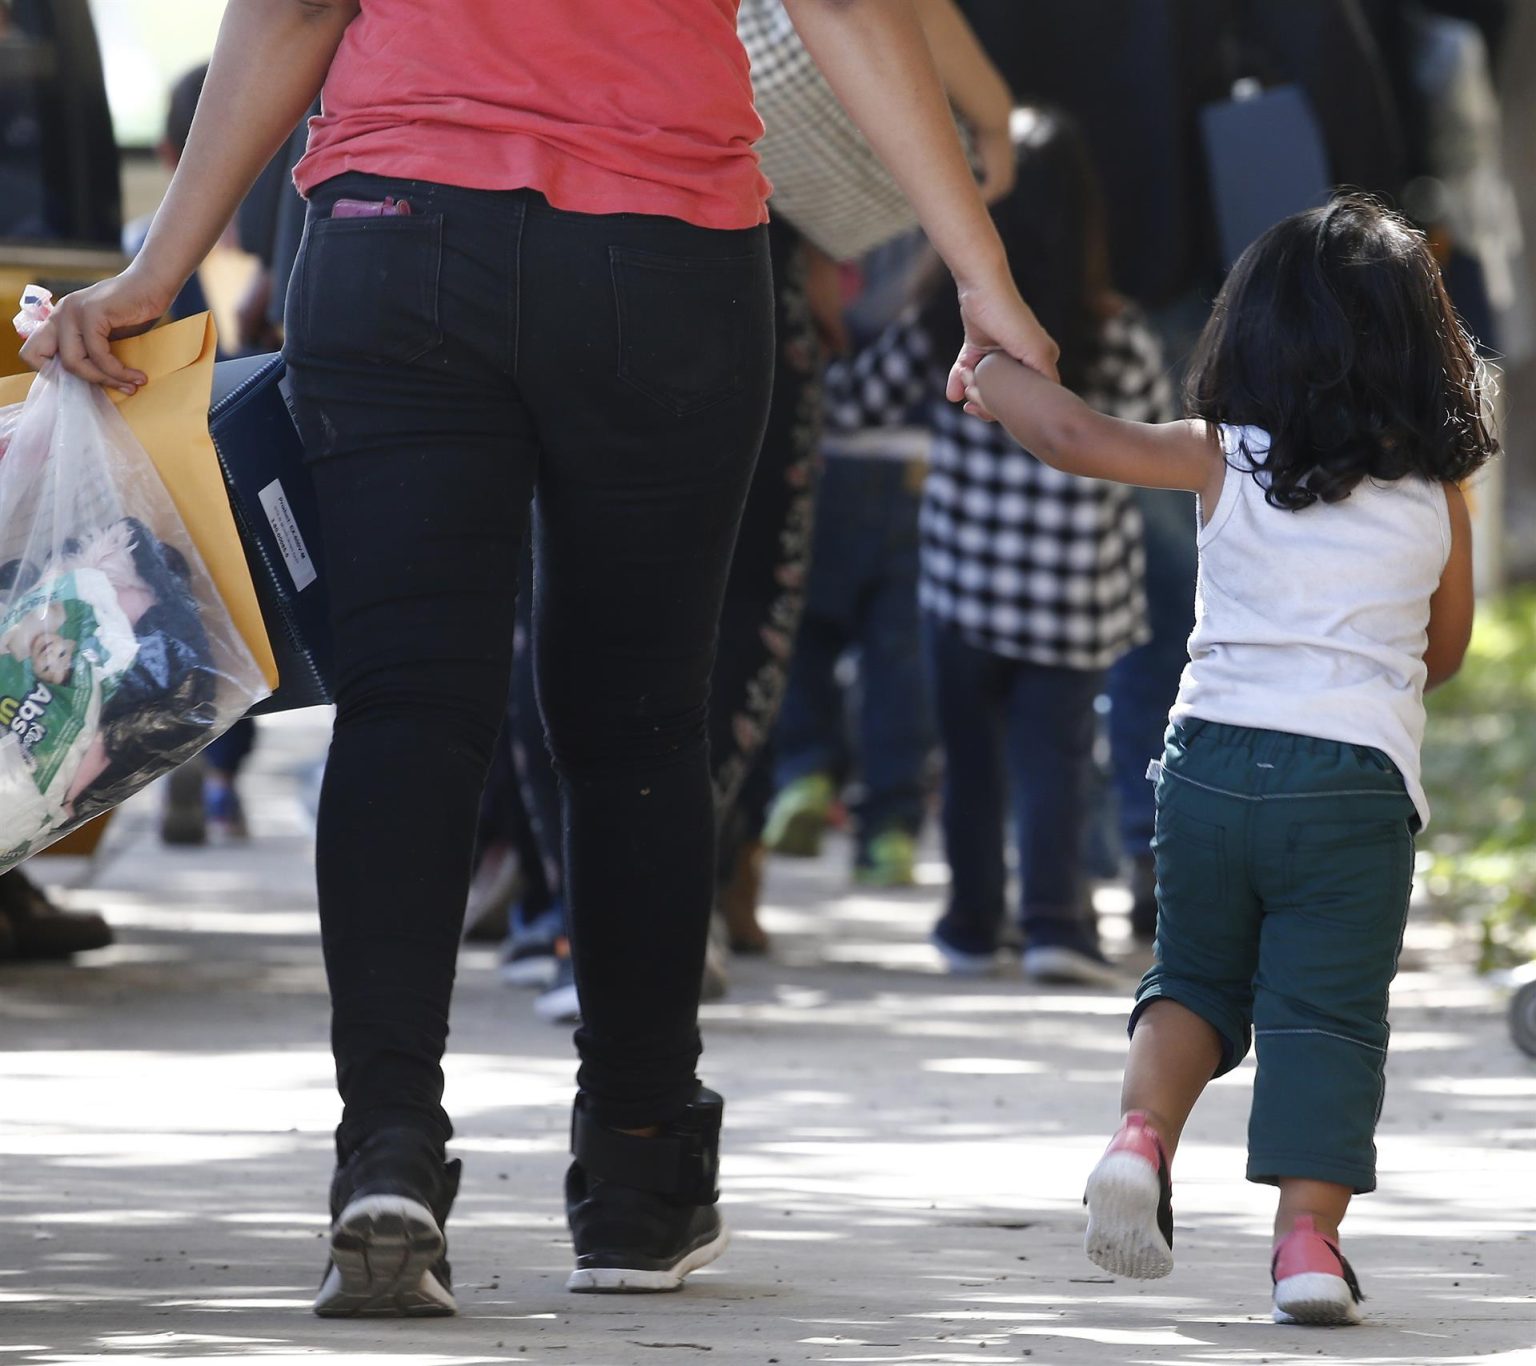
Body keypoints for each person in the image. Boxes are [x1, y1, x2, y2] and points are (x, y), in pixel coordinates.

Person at [24, 0, 1056, 1318]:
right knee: (636, 722)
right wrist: (979, 270)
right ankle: (638, 1167)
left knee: (408, 708)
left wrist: (155, 272)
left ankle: (387, 1148)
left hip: (396, 238)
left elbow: (293, 7)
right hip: (664, 249)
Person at [965, 195, 1492, 1325]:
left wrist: (989, 374)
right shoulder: (1438, 496)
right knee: (1327, 1016)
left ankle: (1141, 1138)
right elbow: (1441, 655)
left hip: (1206, 769)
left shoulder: (1225, 457)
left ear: (1252, 333)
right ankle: (1306, 1243)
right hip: (1351, 788)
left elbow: (1072, 436)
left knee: (1195, 978)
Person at [818, 110, 1164, 985]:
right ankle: (1056, 922)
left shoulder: (942, 328)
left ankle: (974, 923)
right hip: (1075, 599)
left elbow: (852, 407)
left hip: (966, 590)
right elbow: (1159, 440)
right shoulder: (1118, 334)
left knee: (971, 763)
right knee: (1056, 761)